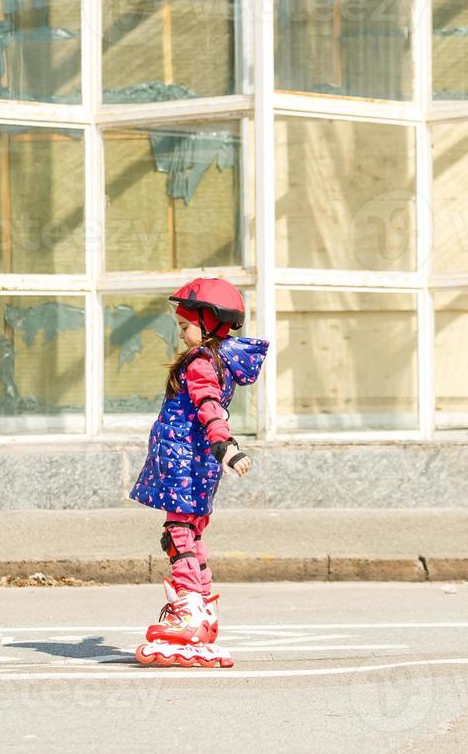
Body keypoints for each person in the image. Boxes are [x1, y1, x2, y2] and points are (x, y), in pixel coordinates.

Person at [130, 277, 268, 669]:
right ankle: (202, 607)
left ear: (210, 322)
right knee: (191, 532)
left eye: (186, 325)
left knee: (178, 533)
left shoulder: (202, 363)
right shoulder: (215, 360)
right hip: (194, 462)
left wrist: (225, 446)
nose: (181, 332)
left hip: (186, 461)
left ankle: (189, 610)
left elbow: (209, 405)